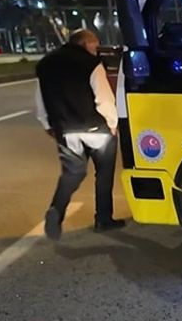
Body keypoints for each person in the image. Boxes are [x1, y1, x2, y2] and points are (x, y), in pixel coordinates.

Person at [35, 29, 125, 240]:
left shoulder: (46, 64)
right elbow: (103, 98)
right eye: (95, 45)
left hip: (66, 131)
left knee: (72, 173)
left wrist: (48, 124)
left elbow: (40, 100)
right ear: (86, 43)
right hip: (97, 130)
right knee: (103, 174)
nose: (96, 50)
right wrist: (113, 123)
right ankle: (103, 219)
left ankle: (56, 210)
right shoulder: (91, 64)